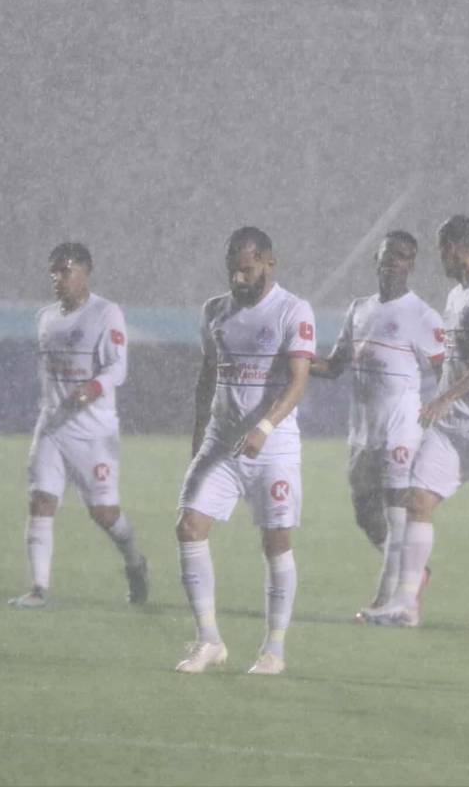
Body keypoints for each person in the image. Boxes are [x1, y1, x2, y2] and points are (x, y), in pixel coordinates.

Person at [363, 215, 469, 629]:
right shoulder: (455, 295)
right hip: (451, 427)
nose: (438, 259)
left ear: (453, 248)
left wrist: (446, 397)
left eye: (440, 250)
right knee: (417, 500)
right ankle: (406, 604)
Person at [173, 227, 316, 675]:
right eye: (232, 270)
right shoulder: (215, 311)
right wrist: (199, 435)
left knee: (276, 541)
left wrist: (265, 427)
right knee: (189, 526)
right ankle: (209, 640)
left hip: (273, 448)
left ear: (269, 263)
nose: (238, 279)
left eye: (247, 270)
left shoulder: (293, 310)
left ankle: (273, 649)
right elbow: (207, 376)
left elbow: (298, 381)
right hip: (221, 443)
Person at [310, 231, 446, 618]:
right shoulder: (359, 309)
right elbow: (335, 366)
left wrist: (440, 411)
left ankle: (388, 600)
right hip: (363, 432)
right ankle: (413, 575)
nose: (393, 262)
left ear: (411, 264)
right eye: (388, 255)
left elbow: (446, 371)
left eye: (402, 256)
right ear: (376, 260)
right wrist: (296, 361)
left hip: (400, 430)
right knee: (365, 513)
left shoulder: (421, 315)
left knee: (396, 514)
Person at [11, 243, 147, 609]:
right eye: (54, 272)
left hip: (93, 432)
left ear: (85, 273)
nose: (58, 278)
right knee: (41, 501)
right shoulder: (45, 317)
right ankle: (38, 589)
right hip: (52, 426)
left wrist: (92, 388)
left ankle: (135, 562)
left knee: (104, 514)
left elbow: (118, 368)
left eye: (65, 271)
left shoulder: (105, 313)